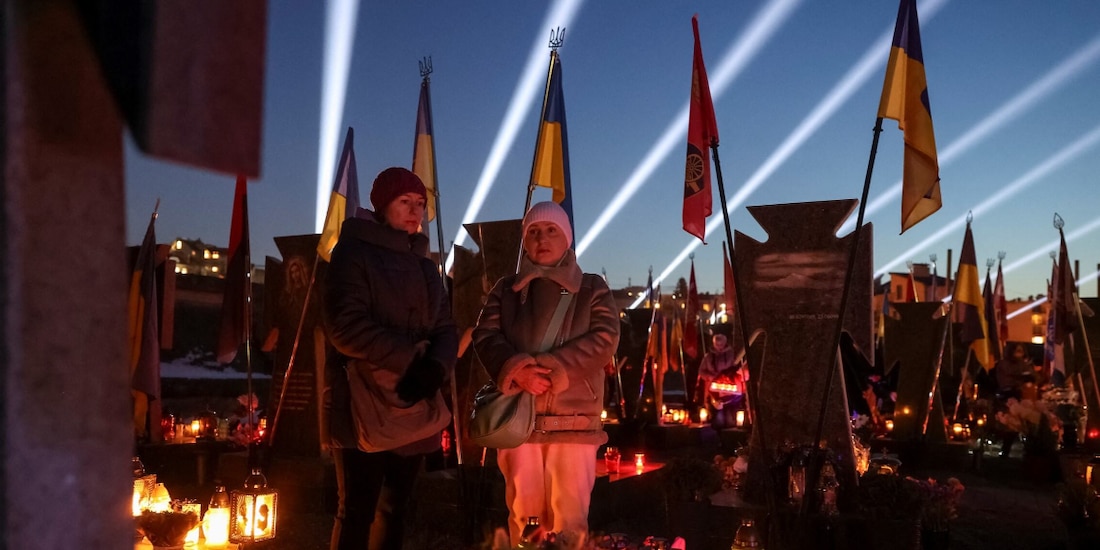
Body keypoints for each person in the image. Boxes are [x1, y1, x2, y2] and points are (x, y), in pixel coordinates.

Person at [321, 167, 458, 550]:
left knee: (396, 507)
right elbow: (346, 326)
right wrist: (410, 362)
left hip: (415, 399)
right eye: (405, 202)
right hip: (363, 401)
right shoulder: (352, 252)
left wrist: (435, 368)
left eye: (420, 204)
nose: (415, 211)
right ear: (382, 207)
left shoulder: (425, 265)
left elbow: (445, 327)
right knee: (357, 510)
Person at [473, 201, 620, 545]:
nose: (542, 238)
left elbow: (605, 338)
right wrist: (517, 371)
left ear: (567, 238)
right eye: (534, 231)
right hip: (518, 422)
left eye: (551, 230)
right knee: (523, 519)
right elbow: (485, 336)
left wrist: (556, 369)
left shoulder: (591, 287)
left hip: (573, 422)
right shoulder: (505, 290)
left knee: (570, 521)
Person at [696, 333, 746, 428]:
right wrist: (711, 376)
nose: (719, 347)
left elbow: (739, 368)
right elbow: (701, 371)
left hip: (731, 392)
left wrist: (731, 375)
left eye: (721, 344)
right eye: (717, 344)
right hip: (714, 392)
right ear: (714, 344)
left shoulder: (732, 355)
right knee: (718, 418)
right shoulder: (708, 357)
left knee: (730, 418)